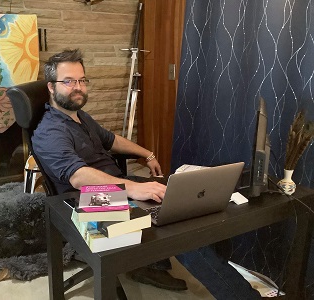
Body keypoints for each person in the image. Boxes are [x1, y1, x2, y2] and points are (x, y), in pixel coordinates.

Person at [32, 49, 261, 299]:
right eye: (68, 81)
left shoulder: (79, 117)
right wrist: (131, 189)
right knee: (181, 236)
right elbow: (77, 176)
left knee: (195, 207)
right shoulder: (49, 131)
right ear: (51, 88)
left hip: (121, 186)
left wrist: (147, 154)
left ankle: (151, 263)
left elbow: (111, 140)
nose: (77, 87)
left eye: (81, 80)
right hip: (86, 199)